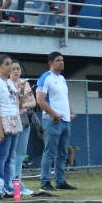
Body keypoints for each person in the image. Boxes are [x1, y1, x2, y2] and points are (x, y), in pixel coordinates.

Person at [36, 51, 75, 192]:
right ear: (50, 62)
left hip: (65, 121)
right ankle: (45, 182)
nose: (61, 62)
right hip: (52, 121)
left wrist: (71, 112)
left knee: (62, 152)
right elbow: (40, 100)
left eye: (62, 60)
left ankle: (60, 181)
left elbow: (65, 97)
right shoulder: (45, 78)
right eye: (58, 60)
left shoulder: (63, 79)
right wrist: (54, 114)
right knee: (50, 152)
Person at [0, 54, 21, 198]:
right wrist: (0, 129)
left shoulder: (10, 82)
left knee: (10, 157)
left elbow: (14, 102)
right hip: (1, 122)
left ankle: (8, 186)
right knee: (2, 156)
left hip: (13, 122)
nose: (10, 67)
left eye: (11, 64)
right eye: (7, 64)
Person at [9, 61, 38, 196]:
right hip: (10, 121)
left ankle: (18, 184)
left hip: (24, 120)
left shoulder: (25, 84)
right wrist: (21, 100)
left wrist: (23, 101)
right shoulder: (6, 84)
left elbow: (33, 102)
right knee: (11, 154)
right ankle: (10, 184)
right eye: (13, 69)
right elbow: (13, 103)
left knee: (20, 154)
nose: (16, 71)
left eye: (18, 69)